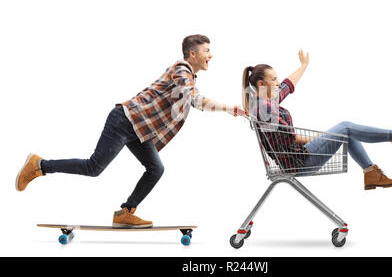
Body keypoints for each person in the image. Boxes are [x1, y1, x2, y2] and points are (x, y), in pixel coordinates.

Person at [16, 34, 242, 227]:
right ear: (192, 54)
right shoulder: (182, 70)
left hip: (139, 129)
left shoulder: (188, 77)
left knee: (155, 168)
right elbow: (195, 99)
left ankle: (125, 213)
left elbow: (191, 99)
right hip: (125, 121)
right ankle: (40, 165)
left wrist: (227, 109)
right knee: (94, 167)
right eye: (207, 51)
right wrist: (228, 108)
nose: (210, 55)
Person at [241, 49, 392, 190]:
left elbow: (287, 87)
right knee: (345, 128)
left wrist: (303, 66)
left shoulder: (265, 101)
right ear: (261, 84)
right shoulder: (264, 109)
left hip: (296, 159)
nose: (278, 82)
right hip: (299, 162)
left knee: (346, 131)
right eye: (274, 79)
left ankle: (371, 173)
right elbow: (292, 138)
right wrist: (327, 136)